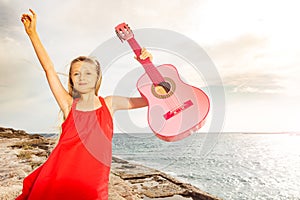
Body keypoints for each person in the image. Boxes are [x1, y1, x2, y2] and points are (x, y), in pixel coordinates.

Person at [17, 9, 151, 200]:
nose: (82, 77)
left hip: (93, 191)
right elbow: (49, 70)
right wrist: (33, 34)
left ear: (97, 78)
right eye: (76, 73)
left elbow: (150, 99)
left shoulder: (110, 104)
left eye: (88, 73)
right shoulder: (68, 105)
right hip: (59, 184)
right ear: (71, 79)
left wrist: (146, 64)